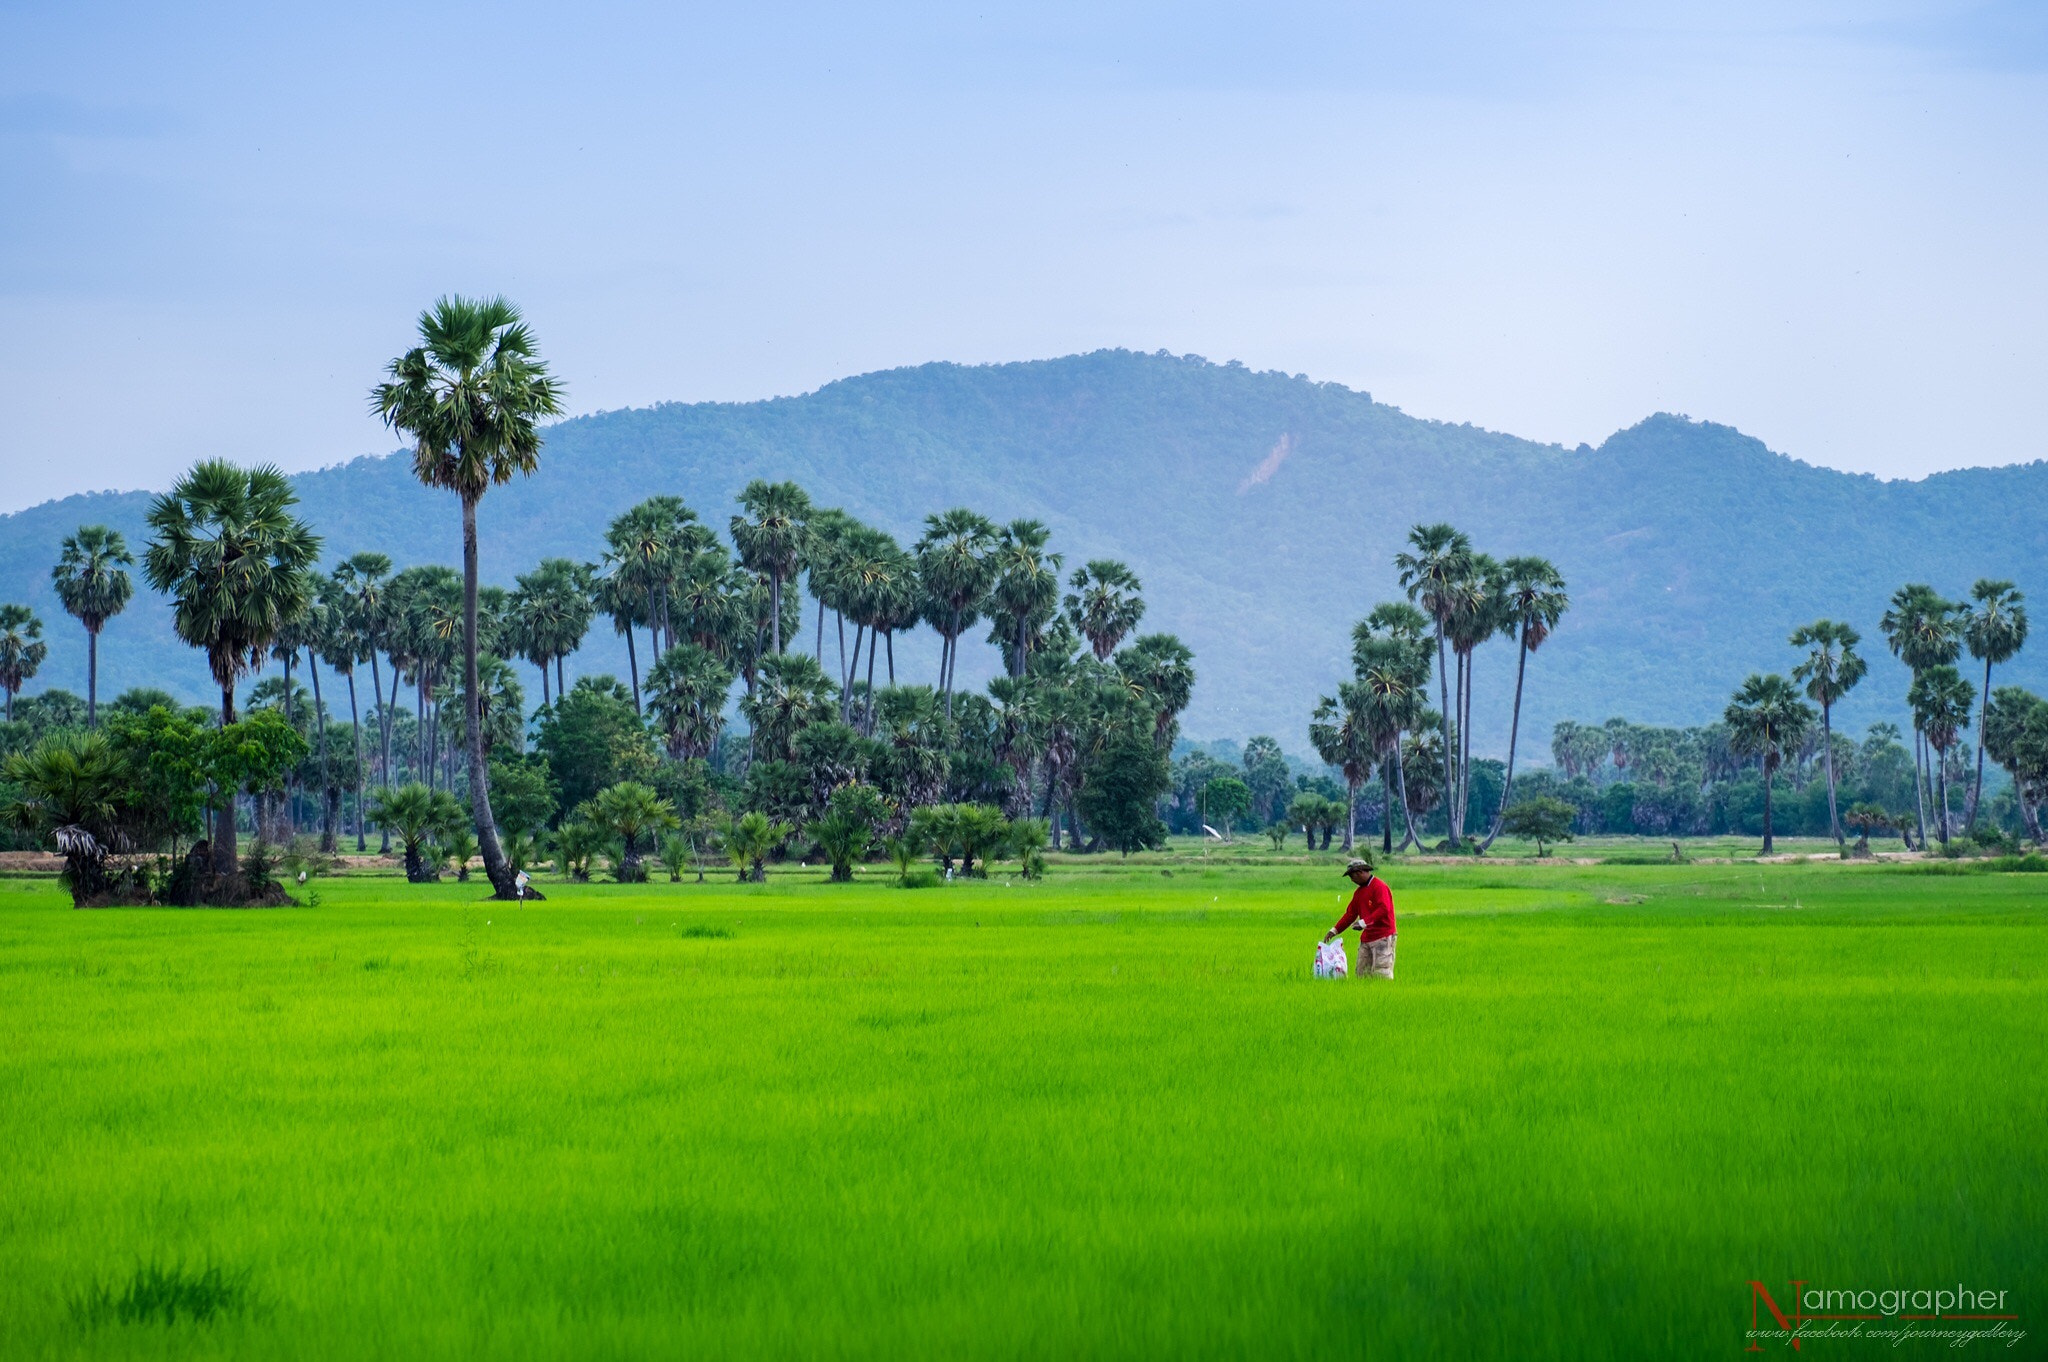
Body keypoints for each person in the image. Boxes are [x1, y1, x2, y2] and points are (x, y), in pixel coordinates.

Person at [1321, 854, 1396, 979]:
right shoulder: (1359, 892)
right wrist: (1334, 930)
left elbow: (1384, 909)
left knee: (1382, 973)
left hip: (1383, 937)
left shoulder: (1379, 887)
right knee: (1362, 974)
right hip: (1367, 938)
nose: (1351, 880)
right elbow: (1350, 914)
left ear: (1360, 872)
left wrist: (1363, 923)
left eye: (1352, 876)